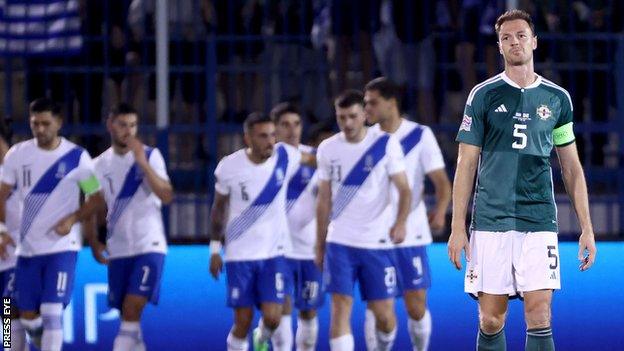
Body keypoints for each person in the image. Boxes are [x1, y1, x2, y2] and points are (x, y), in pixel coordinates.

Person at [447, 10, 597, 351]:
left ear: (534, 41)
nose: (514, 42)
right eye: (506, 38)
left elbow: (571, 167)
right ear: (499, 47)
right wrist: (458, 226)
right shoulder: (483, 95)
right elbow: (466, 162)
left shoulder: (557, 99)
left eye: (520, 36)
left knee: (540, 315)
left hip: (538, 218)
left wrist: (586, 227)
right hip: (490, 220)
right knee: (491, 320)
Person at [0, 98, 105, 351]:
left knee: (41, 311)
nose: (40, 129)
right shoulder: (16, 162)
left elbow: (96, 197)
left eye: (45, 123)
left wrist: (79, 225)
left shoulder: (71, 158)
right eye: (35, 124)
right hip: (12, 255)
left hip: (31, 253)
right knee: (8, 316)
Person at [315, 90, 411, 351]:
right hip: (339, 241)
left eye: (352, 116)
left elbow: (404, 189)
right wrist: (319, 244)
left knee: (384, 316)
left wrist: (401, 222)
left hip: (377, 242)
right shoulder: (327, 148)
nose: (347, 123)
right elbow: (323, 199)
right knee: (340, 307)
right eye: (341, 117)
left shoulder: (385, 144)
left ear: (364, 116)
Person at [209, 112, 312, 351]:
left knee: (274, 318)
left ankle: (261, 338)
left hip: (274, 254)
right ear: (248, 138)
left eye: (273, 135)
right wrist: (215, 249)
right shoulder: (229, 167)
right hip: (240, 255)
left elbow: (314, 160)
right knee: (242, 321)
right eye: (263, 136)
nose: (270, 141)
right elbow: (219, 209)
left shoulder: (285, 155)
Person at [363, 77, 452, 351]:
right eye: (365, 103)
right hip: (373, 235)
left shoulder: (419, 135)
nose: (367, 109)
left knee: (415, 306)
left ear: (392, 103)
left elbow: (440, 180)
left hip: (410, 233)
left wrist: (440, 209)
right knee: (378, 306)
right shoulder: (365, 138)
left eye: (373, 103)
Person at [85, 103, 173, 351]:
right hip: (119, 248)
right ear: (110, 125)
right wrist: (93, 241)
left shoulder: (152, 156)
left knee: (132, 308)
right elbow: (93, 206)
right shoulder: (96, 166)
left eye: (133, 125)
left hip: (149, 244)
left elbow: (167, 196)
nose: (128, 131)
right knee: (128, 316)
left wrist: (143, 165)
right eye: (122, 125)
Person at [268, 103, 325, 351]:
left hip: (308, 249)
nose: (292, 130)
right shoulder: (266, 159)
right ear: (275, 129)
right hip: (277, 249)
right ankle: (266, 338)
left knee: (308, 313)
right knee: (280, 310)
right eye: (285, 125)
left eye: (297, 124)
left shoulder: (317, 158)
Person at [0, 129, 28, 351]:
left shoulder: (21, 172)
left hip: (18, 254)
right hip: (3, 258)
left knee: (11, 307)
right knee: (7, 311)